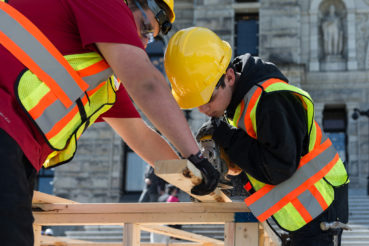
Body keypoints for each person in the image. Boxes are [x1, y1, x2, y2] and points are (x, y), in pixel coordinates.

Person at [0, 1, 219, 245]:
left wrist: (194, 178)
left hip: (16, 146)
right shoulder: (105, 3)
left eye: (151, 38)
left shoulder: (102, 80)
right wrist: (195, 156)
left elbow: (140, 135)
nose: (145, 43)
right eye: (145, 28)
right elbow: (147, 83)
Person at [164, 27, 349, 246]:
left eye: (209, 98)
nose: (203, 109)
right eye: (197, 103)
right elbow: (251, 164)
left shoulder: (270, 100)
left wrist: (226, 136)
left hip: (321, 217)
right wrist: (213, 171)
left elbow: (278, 167)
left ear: (230, 77)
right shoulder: (241, 105)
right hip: (304, 220)